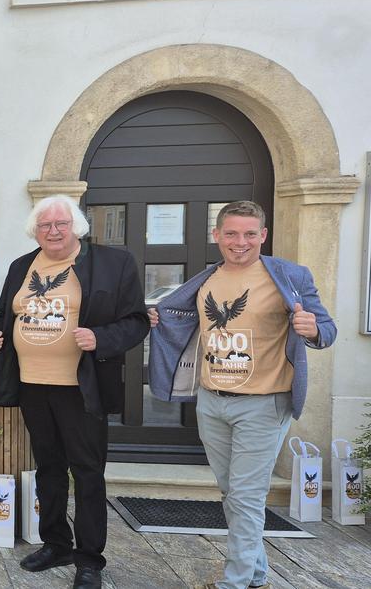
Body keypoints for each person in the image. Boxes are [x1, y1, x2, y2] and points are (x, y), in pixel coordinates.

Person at [148, 200, 335, 589]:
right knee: (233, 493)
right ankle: (257, 576)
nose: (240, 242)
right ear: (216, 235)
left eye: (250, 233)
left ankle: (233, 584)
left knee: (247, 497)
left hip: (265, 403)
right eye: (231, 233)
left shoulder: (290, 276)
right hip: (212, 401)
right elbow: (180, 318)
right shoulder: (206, 280)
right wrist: (159, 317)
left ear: (263, 235)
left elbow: (327, 330)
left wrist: (311, 328)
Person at [0, 195, 147, 589]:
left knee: (87, 473)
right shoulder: (22, 266)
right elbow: (6, 314)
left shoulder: (112, 263)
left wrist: (100, 337)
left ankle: (89, 560)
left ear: (76, 226)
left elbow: (137, 321)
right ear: (34, 232)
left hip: (81, 388)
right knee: (49, 468)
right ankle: (56, 542)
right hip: (33, 385)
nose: (53, 231)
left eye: (60, 224)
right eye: (44, 226)